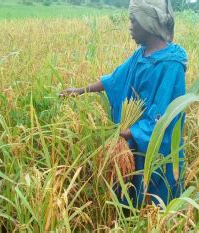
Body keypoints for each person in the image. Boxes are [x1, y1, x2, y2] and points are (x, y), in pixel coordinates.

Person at [60, 0, 187, 208]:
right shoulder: (141, 54)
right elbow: (115, 79)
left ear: (147, 24)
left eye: (132, 20)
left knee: (153, 201)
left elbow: (162, 118)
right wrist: (80, 91)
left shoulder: (170, 65)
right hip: (134, 142)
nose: (129, 26)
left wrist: (127, 133)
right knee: (129, 194)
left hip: (156, 150)